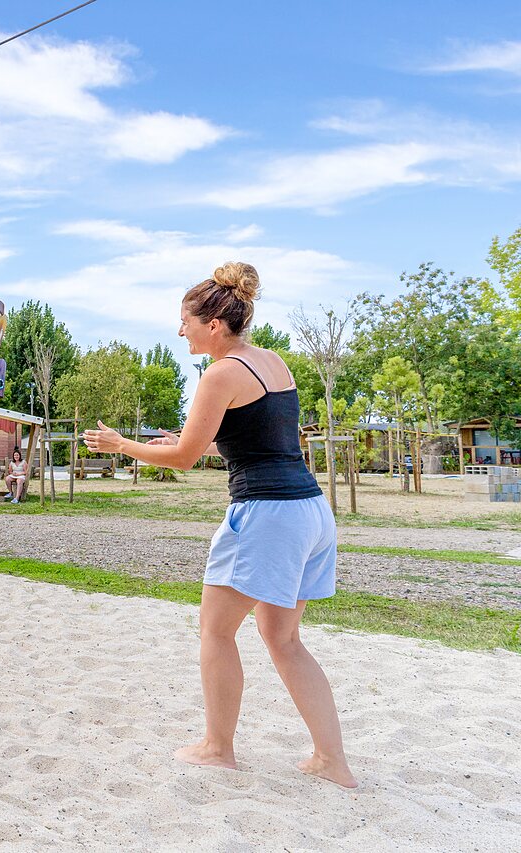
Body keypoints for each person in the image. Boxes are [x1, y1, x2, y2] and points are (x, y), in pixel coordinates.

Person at [83, 261, 357, 789]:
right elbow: (253, 441)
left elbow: (185, 459)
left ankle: (217, 749)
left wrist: (122, 446)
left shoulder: (220, 372)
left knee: (215, 630)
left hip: (266, 515)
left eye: (183, 320)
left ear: (212, 324)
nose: (179, 330)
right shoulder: (272, 362)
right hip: (310, 511)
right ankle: (332, 761)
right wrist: (174, 440)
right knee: (284, 639)